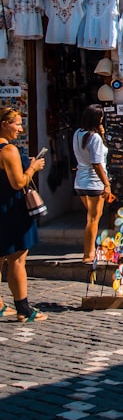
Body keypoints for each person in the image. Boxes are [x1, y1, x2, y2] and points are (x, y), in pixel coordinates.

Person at [0, 107, 47, 322]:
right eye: (17, 124)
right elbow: (18, 182)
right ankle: (24, 309)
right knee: (17, 259)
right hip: (12, 210)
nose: (20, 129)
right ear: (4, 124)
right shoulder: (7, 150)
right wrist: (33, 167)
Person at [74, 104, 113, 263]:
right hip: (94, 182)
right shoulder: (94, 138)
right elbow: (97, 163)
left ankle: (90, 251)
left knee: (92, 217)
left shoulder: (78, 133)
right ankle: (88, 254)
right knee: (93, 219)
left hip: (81, 181)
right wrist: (107, 184)